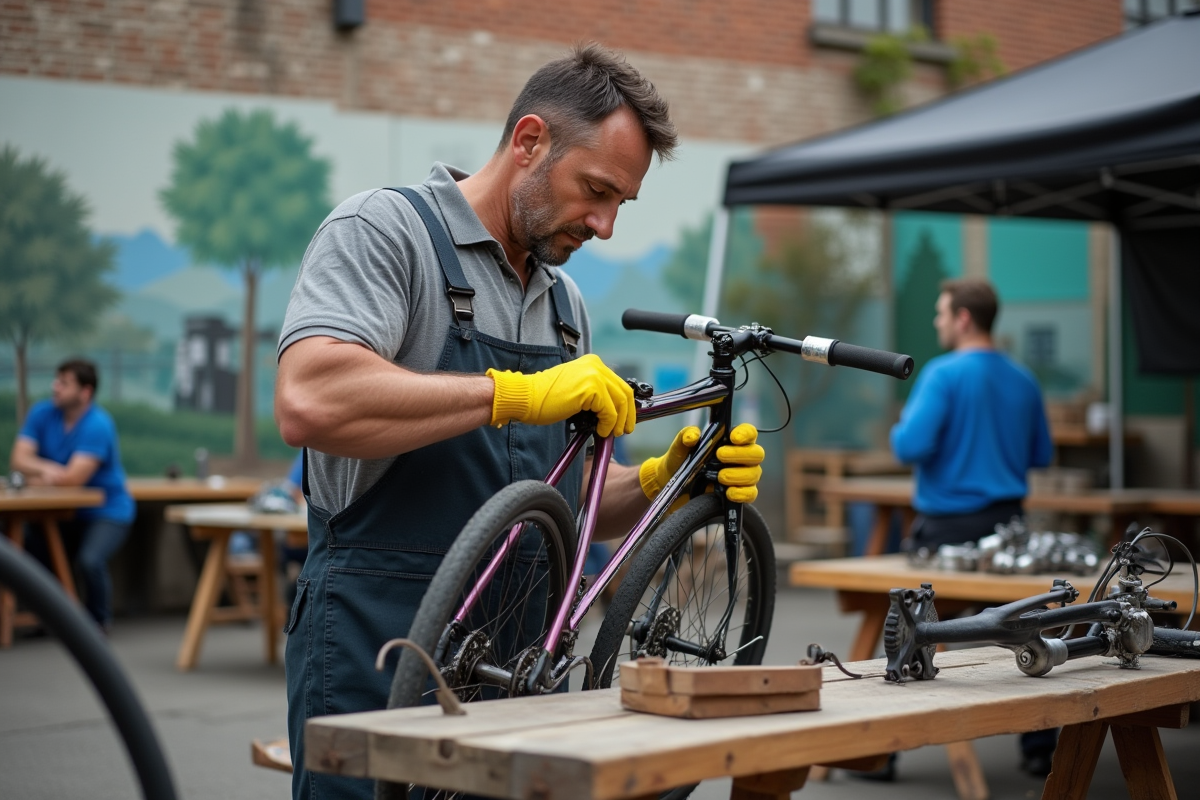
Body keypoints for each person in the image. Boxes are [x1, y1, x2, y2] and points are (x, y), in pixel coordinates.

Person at [274, 43, 764, 800]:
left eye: (621, 205)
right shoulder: (384, 231)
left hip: (514, 674)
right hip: (378, 646)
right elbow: (310, 399)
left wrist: (670, 477)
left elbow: (571, 511)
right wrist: (508, 393)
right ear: (530, 140)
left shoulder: (566, 311)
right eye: (595, 190)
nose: (604, 226)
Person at [890, 278, 1055, 777]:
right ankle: (1042, 749)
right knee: (1025, 627)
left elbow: (908, 447)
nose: (937, 322)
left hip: (946, 535)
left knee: (907, 631)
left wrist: (905, 424)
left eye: (941, 313)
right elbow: (1040, 455)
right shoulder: (1024, 379)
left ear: (964, 318)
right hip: (1010, 531)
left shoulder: (942, 376)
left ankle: (878, 753)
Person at [9, 359, 135, 632]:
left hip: (106, 510)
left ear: (85, 392)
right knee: (30, 550)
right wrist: (48, 469)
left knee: (90, 561)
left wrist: (37, 474)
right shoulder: (42, 412)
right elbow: (18, 458)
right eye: (56, 381)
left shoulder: (98, 424)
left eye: (64, 383)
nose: (55, 388)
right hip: (61, 511)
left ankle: (97, 624)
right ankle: (54, 617)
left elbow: (73, 480)